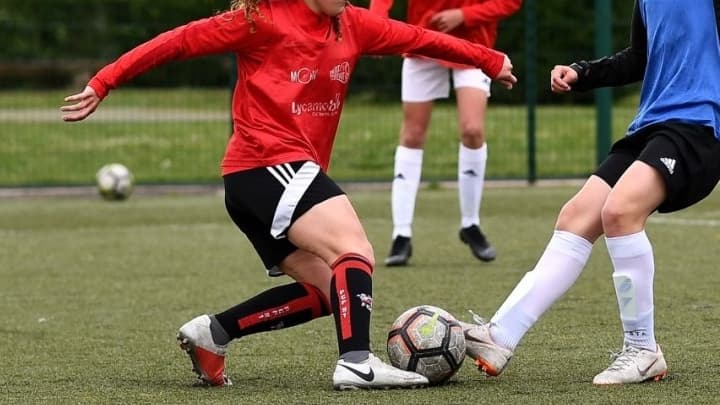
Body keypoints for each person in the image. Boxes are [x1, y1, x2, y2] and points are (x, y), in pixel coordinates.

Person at [61, 0, 516, 390]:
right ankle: (356, 362)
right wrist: (104, 82)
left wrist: (488, 59)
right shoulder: (263, 20)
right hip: (267, 165)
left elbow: (419, 39)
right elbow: (177, 41)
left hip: (265, 179)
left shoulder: (354, 23)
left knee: (325, 292)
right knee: (353, 250)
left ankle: (213, 332)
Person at [460, 0, 720, 385]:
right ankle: (501, 334)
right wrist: (581, 73)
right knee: (576, 216)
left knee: (619, 213)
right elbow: (637, 59)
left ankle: (642, 349)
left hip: (699, 127)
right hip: (652, 126)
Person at [368, 0, 522, 266]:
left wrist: (464, 15)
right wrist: (376, 25)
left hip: (475, 46)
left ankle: (470, 224)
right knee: (412, 135)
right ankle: (401, 234)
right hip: (423, 40)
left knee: (473, 130)